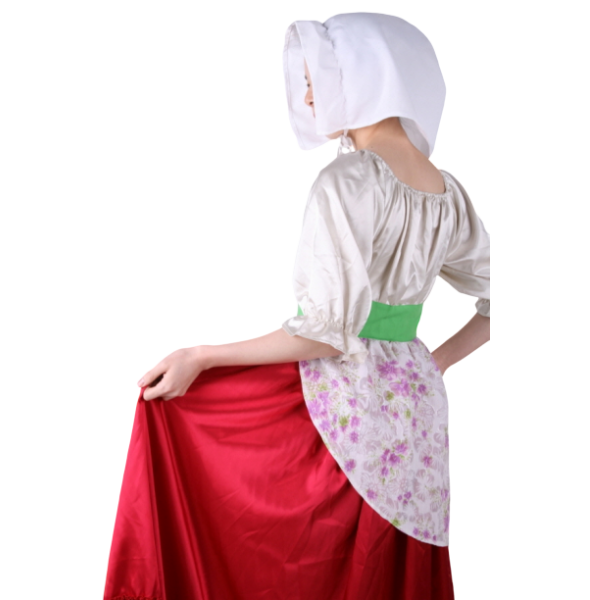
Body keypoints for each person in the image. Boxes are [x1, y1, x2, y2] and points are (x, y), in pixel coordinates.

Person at [104, 12, 489, 600]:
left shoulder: (348, 182)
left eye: (317, 78)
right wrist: (433, 363)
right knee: (387, 566)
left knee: (311, 557)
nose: (308, 96)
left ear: (363, 76)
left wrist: (201, 356)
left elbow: (324, 334)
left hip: (350, 397)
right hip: (417, 404)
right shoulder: (447, 190)